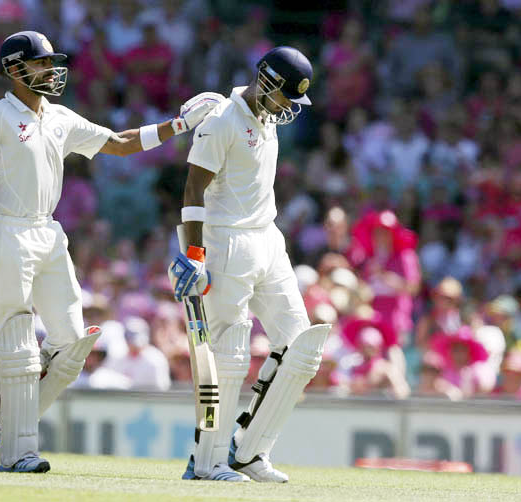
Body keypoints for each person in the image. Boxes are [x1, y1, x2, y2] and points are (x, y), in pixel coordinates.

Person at [0, 31, 222, 474]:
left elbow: (118, 142)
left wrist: (177, 126)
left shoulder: (59, 117)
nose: (53, 71)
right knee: (17, 339)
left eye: (54, 63)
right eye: (42, 64)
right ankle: (19, 454)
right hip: (7, 231)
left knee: (72, 345)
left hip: (49, 233)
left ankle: (4, 423)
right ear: (15, 69)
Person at [168, 46, 331, 482]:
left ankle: (249, 452)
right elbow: (193, 190)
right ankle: (206, 462)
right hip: (224, 243)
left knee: (301, 346)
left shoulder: (268, 117)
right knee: (229, 354)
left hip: (268, 239)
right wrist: (194, 253)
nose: (290, 108)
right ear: (267, 82)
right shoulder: (223, 121)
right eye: (286, 97)